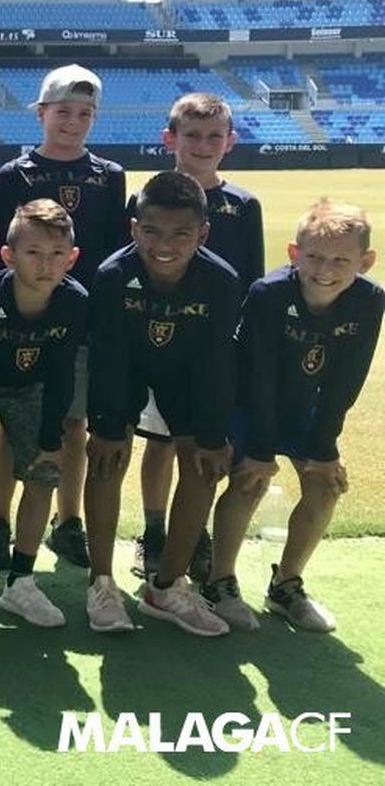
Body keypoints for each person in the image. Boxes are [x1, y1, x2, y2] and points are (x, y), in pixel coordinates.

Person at [205, 199, 382, 633]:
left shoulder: (369, 299)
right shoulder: (269, 293)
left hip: (307, 407)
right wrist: (261, 450)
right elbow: (258, 374)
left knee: (327, 485)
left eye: (342, 259)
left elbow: (346, 380)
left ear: (366, 261)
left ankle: (286, 585)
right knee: (250, 480)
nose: (326, 269)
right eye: (315, 257)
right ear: (293, 254)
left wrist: (324, 448)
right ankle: (219, 581)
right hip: (250, 403)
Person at [84, 171, 240, 637]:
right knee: (107, 458)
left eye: (181, 234)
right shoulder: (113, 275)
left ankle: (166, 587)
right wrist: (108, 426)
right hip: (127, 368)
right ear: (134, 228)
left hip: (187, 373)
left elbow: (216, 362)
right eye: (151, 231)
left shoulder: (221, 281)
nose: (164, 244)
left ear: (203, 233)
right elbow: (109, 358)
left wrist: (213, 436)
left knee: (201, 466)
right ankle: (101, 583)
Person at [0, 64, 127, 572]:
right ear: (42, 113)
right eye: (63, 111)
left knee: (73, 420)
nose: (73, 121)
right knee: (10, 419)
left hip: (81, 319)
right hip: (22, 316)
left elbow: (113, 252)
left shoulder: (108, 176)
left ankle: (67, 522)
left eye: (84, 113)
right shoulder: (15, 175)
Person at [131, 93, 264, 584]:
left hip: (213, 350)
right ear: (172, 140)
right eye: (193, 135)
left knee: (206, 443)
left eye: (214, 136)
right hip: (158, 342)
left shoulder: (243, 204)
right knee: (160, 442)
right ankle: (154, 530)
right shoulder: (146, 196)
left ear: (229, 142)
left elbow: (251, 279)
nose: (203, 145)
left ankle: (197, 535)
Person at [0, 201, 86, 632]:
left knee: (44, 473)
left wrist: (51, 439)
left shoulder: (74, 300)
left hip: (31, 389)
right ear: (8, 256)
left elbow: (61, 373)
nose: (46, 264)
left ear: (72, 257)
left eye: (57, 253)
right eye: (33, 253)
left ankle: (20, 582)